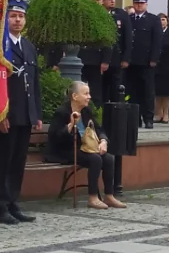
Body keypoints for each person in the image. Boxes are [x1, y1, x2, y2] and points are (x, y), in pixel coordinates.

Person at [0, 0, 42, 225]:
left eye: (21, 16)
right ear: (6, 19)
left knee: (18, 162)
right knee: (3, 161)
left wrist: (37, 114)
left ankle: (13, 202)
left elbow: (35, 82)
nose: (18, 20)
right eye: (13, 16)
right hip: (7, 115)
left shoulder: (29, 47)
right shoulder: (0, 47)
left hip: (25, 115)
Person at [45, 82, 125, 210]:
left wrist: (103, 140)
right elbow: (56, 137)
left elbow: (99, 129)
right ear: (75, 96)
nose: (89, 97)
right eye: (86, 93)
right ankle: (93, 198)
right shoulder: (62, 112)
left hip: (86, 148)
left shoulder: (86, 110)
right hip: (66, 149)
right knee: (95, 159)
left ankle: (109, 196)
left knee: (109, 158)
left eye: (89, 93)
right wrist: (71, 125)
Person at [127, 0, 162, 129]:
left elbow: (157, 41)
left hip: (147, 62)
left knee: (147, 91)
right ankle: (136, 119)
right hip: (131, 61)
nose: (139, 5)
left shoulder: (153, 20)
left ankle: (148, 118)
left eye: (141, 3)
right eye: (136, 3)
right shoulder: (129, 18)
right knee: (133, 92)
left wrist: (154, 58)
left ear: (146, 4)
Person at [79, 0, 112, 106]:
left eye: (97, 0)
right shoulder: (81, 15)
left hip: (96, 58)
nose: (95, 2)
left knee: (96, 90)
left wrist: (105, 60)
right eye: (92, 0)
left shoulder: (104, 17)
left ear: (102, 2)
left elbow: (108, 40)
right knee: (80, 88)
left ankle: (96, 114)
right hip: (81, 57)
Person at [101, 0, 133, 106]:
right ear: (103, 0)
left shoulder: (121, 15)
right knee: (102, 88)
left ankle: (115, 114)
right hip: (101, 58)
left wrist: (126, 58)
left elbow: (128, 38)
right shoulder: (99, 14)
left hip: (116, 58)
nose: (113, 1)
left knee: (116, 88)